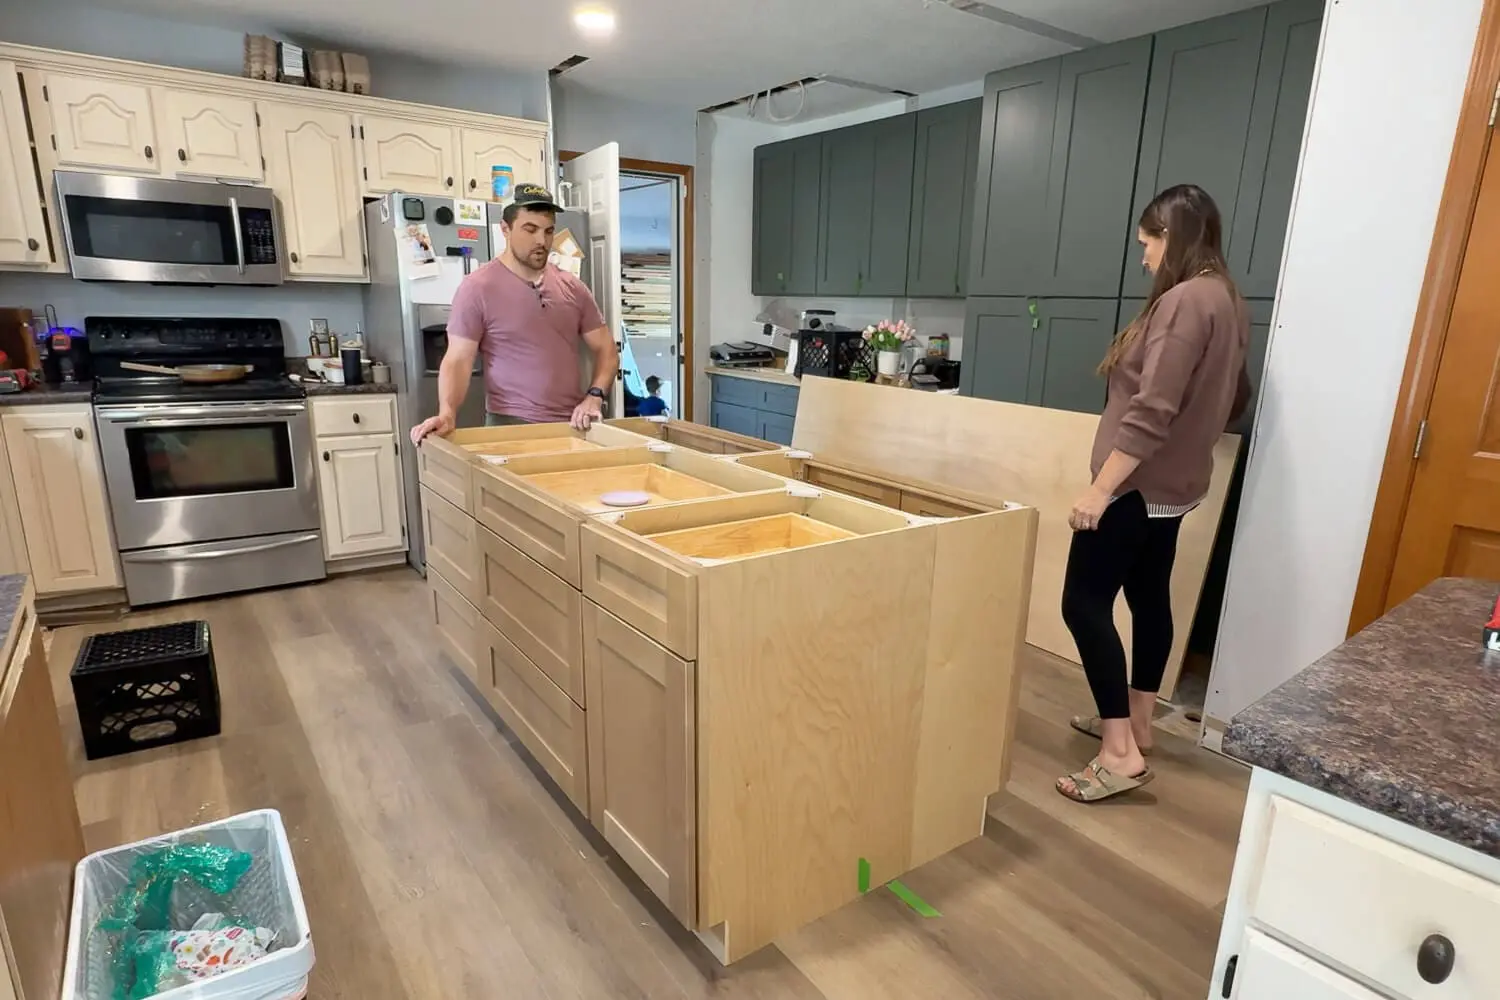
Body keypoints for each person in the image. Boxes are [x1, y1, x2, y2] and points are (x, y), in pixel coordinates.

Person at [1055, 183, 1251, 804]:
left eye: (1147, 244)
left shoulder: (1185, 302)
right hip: (1174, 488)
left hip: (1135, 487)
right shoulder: (1226, 299)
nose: (1143, 258)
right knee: (1147, 597)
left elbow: (1152, 408)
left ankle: (1119, 753)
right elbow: (1235, 395)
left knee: (1083, 604)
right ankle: (1138, 722)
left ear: (1172, 238)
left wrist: (1100, 489)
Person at [408, 183, 619, 443]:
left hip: (574, 426)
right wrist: (447, 413)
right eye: (530, 230)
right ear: (505, 229)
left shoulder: (572, 287)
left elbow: (607, 349)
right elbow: (458, 359)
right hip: (509, 426)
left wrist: (595, 395)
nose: (541, 241)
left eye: (548, 231)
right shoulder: (477, 288)